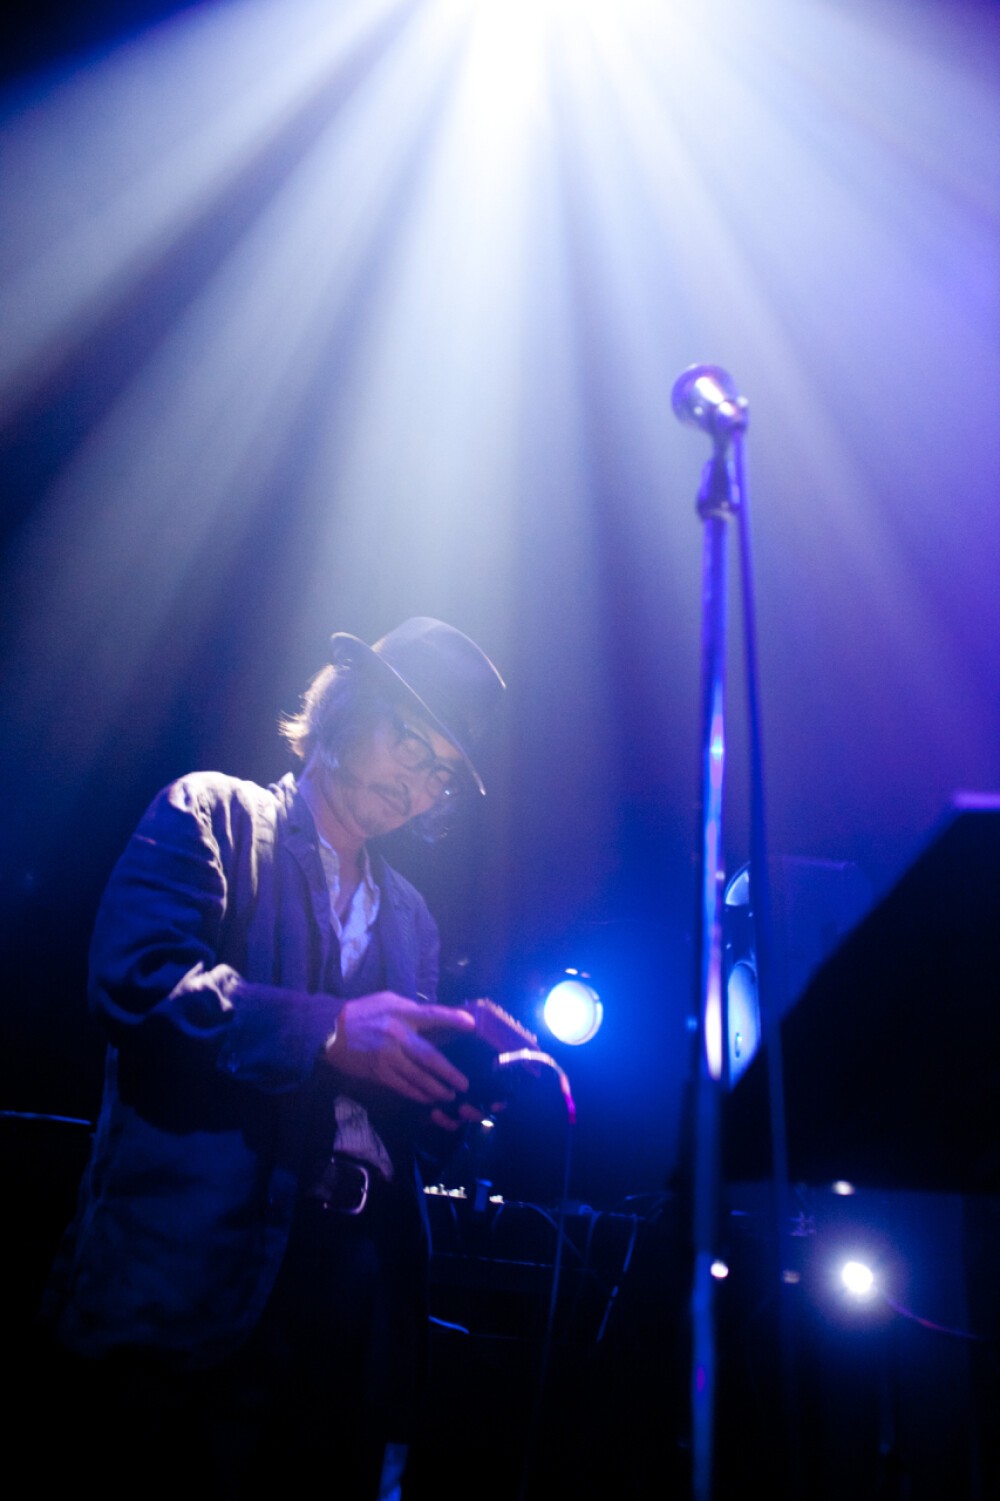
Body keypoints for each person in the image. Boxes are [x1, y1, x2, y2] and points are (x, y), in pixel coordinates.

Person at [42, 617, 505, 1499]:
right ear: (344, 706)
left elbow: (386, 1117)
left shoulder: (411, 917)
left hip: (347, 1318)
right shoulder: (211, 814)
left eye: (441, 771)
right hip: (188, 1295)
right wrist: (329, 1031)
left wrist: (450, 1098)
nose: (418, 782)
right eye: (411, 742)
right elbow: (137, 983)